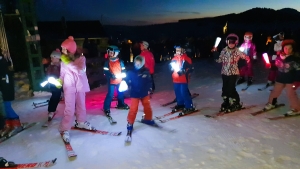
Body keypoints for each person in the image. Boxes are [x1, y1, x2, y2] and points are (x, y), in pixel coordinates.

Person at [58, 36, 96, 143]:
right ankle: (65, 128)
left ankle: (81, 121)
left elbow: (80, 71)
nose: (62, 51)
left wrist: (68, 63)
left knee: (81, 106)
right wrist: (60, 81)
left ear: (70, 49)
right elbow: (62, 74)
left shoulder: (81, 59)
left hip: (80, 86)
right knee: (69, 109)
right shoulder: (63, 60)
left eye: (64, 48)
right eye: (62, 48)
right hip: (69, 86)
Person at [214, 33, 250, 112]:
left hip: (233, 72)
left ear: (236, 43)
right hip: (224, 72)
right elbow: (219, 60)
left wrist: (246, 58)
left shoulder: (237, 51)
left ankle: (235, 102)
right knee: (225, 88)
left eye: (233, 42)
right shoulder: (224, 50)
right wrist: (215, 54)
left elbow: (245, 57)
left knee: (231, 88)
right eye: (229, 42)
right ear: (227, 42)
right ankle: (226, 101)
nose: (231, 44)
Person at [264, 39, 300, 115]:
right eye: (286, 48)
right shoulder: (279, 57)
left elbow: (298, 70)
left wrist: (297, 81)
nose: (288, 50)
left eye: (290, 48)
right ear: (283, 48)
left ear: (293, 49)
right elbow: (276, 66)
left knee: (291, 94)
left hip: (290, 80)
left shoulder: (295, 59)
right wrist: (270, 65)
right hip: (280, 79)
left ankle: (296, 108)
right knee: (275, 92)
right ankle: (272, 103)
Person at [126, 55, 155, 135]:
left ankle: (148, 119)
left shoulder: (146, 71)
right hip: (135, 93)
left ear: (142, 64)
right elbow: (127, 80)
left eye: (139, 64)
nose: (137, 65)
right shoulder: (131, 72)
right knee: (133, 109)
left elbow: (149, 81)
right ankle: (130, 123)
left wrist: (149, 89)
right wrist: (126, 83)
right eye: (136, 64)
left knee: (147, 106)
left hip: (144, 93)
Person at [0, 49, 22, 137]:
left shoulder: (3, 62)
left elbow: (6, 77)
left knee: (7, 106)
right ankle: (9, 124)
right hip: (3, 88)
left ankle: (16, 123)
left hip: (5, 89)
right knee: (4, 108)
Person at [103, 45, 129, 116]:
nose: (110, 54)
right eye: (109, 52)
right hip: (111, 81)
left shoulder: (120, 61)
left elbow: (123, 69)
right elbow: (105, 71)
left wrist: (123, 77)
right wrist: (110, 75)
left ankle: (121, 104)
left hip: (119, 80)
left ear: (116, 53)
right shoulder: (107, 62)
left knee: (120, 93)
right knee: (110, 94)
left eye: (111, 52)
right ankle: (106, 108)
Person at [170, 45, 196, 114]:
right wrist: (172, 69)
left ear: (182, 50)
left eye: (179, 50)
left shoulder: (186, 59)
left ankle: (189, 106)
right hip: (176, 79)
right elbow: (172, 68)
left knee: (184, 92)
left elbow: (191, 68)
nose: (177, 52)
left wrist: (184, 71)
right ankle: (180, 104)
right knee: (177, 92)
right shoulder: (174, 59)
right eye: (176, 50)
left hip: (183, 79)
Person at [46, 49, 62, 121]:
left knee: (59, 96)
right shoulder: (51, 66)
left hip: (61, 83)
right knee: (55, 97)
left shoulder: (61, 65)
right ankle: (51, 110)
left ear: (58, 58)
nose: (51, 59)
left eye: (53, 57)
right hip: (54, 84)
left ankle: (73, 109)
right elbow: (48, 74)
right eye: (51, 57)